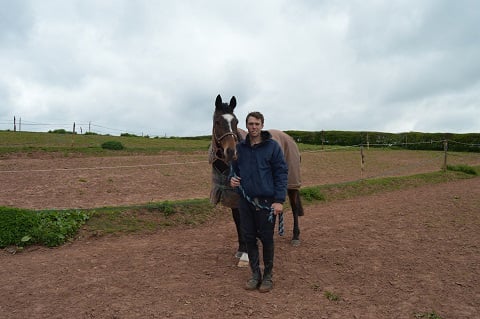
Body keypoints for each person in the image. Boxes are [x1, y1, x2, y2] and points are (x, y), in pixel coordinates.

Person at [230, 111, 288, 292]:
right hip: (245, 201)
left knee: (267, 239)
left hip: (266, 201)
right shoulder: (240, 148)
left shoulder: (272, 147)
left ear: (262, 125)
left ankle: (268, 275)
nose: (253, 127)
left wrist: (279, 200)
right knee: (249, 238)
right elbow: (234, 170)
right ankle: (255, 274)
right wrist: (232, 179)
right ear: (246, 126)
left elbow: (281, 173)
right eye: (250, 124)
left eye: (257, 124)